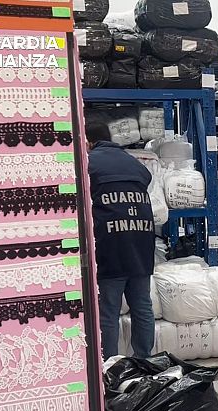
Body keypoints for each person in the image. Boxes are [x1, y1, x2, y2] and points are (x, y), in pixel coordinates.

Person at [86, 122, 156, 359]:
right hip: (141, 242)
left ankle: (110, 366)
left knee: (109, 311)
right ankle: (143, 359)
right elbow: (146, 179)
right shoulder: (133, 163)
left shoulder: (89, 163)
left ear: (88, 142)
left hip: (111, 245)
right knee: (142, 306)